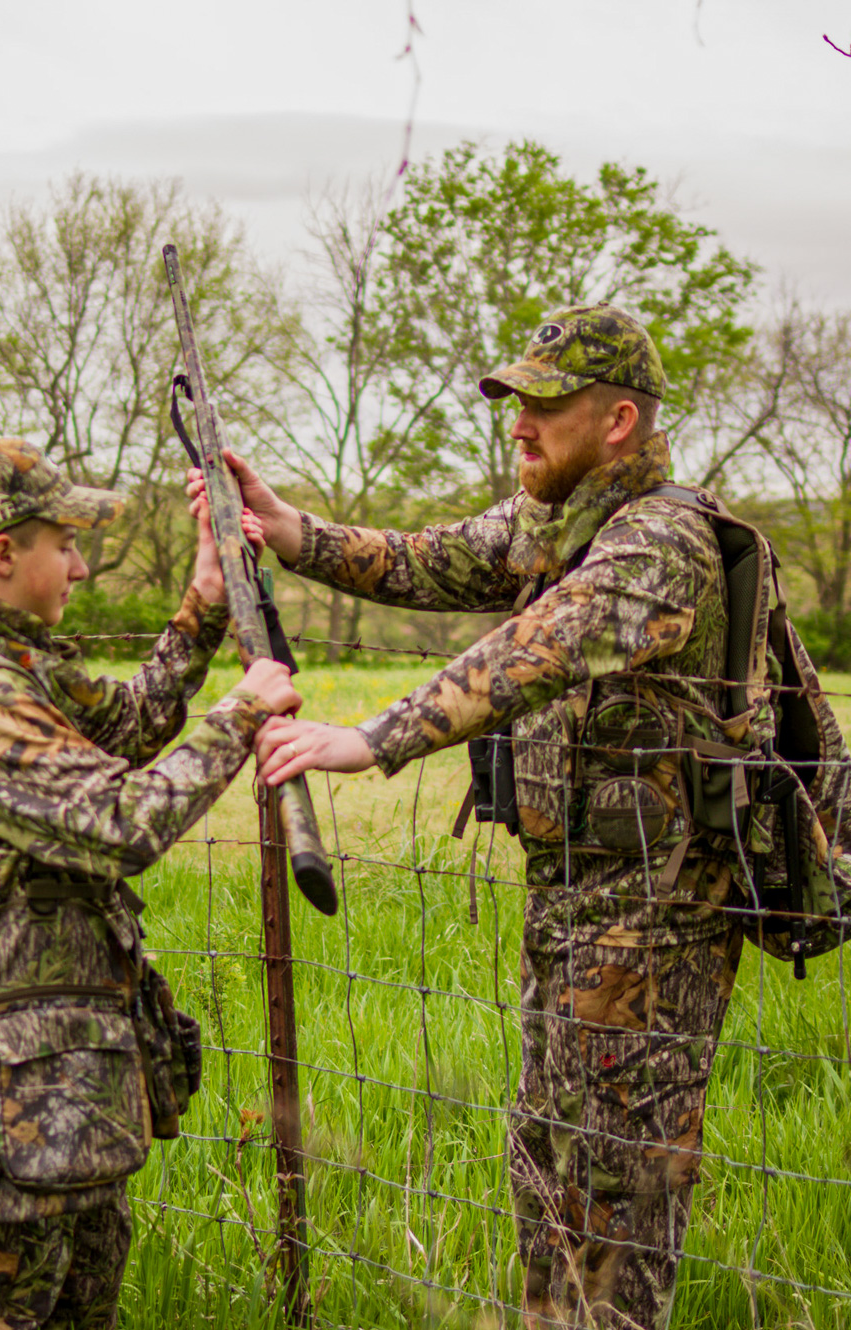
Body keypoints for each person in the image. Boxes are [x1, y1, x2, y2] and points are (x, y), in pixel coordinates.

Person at [209, 306, 743, 1330]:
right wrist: (287, 530)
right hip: (570, 900)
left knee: (616, 1189)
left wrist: (371, 737)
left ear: (619, 420)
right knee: (543, 1157)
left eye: (543, 406)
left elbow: (532, 650)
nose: (518, 425)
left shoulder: (660, 544)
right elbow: (427, 558)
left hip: (656, 912)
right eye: (514, 403)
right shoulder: (554, 521)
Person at [0, 436, 298, 1330]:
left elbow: (131, 724)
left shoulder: (24, 668)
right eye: (63, 543)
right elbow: (123, 822)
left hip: (63, 1093)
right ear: (3, 556)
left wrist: (206, 599)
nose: (81, 563)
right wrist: (243, 715)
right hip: (8, 1107)